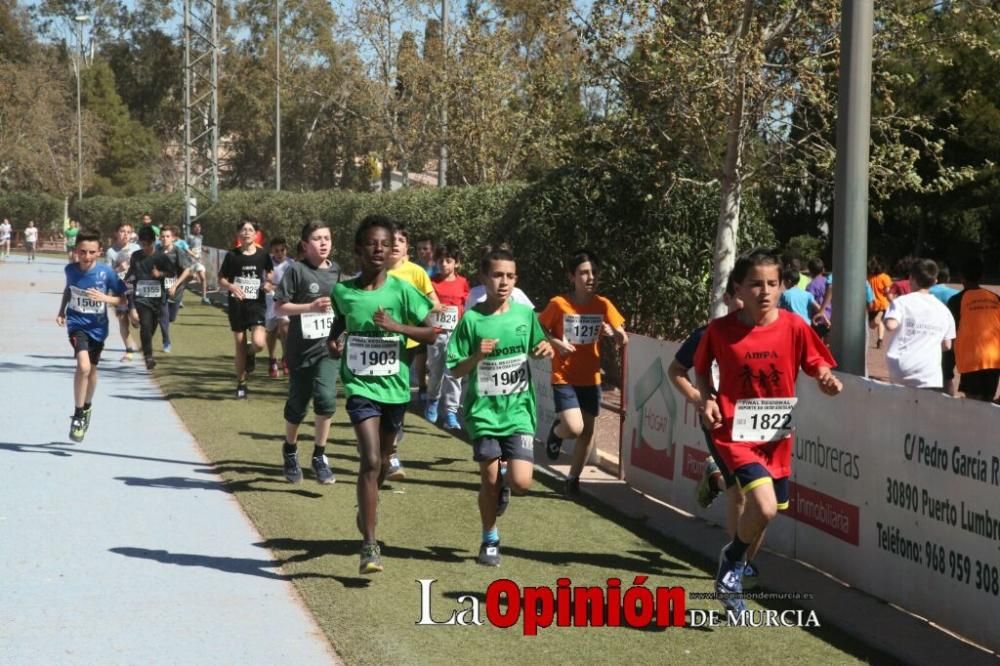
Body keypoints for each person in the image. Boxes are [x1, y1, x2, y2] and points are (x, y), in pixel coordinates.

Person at [695, 248, 842, 613]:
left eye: (772, 284)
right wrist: (707, 397)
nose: (764, 291)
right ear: (738, 289)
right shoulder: (719, 330)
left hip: (776, 438)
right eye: (755, 284)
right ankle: (732, 561)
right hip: (735, 433)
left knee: (767, 511)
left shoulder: (794, 327)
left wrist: (825, 378)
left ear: (781, 287)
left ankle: (735, 562)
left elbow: (816, 363)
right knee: (763, 506)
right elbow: (699, 369)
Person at [326, 215, 436, 574]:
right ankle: (370, 545)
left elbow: (432, 332)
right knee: (370, 460)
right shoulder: (343, 291)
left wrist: (396, 327)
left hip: (395, 389)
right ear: (358, 250)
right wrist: (333, 341)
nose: (378, 249)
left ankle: (366, 504)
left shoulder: (403, 291)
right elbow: (340, 321)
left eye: (385, 245)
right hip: (360, 388)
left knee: (384, 461)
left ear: (392, 252)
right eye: (371, 244)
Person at [447, 248, 554, 567]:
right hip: (483, 413)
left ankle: (505, 486)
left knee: (521, 483)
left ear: (515, 279)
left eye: (509, 276)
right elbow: (454, 369)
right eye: (497, 275)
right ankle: (489, 537)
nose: (503, 282)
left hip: (519, 410)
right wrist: (477, 356)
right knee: (488, 480)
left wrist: (543, 348)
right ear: (484, 278)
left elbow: (536, 349)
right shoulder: (472, 320)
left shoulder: (524, 316)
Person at [668, 277, 765, 589]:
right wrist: (702, 398)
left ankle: (715, 479)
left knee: (764, 500)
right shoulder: (708, 334)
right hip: (720, 422)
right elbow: (675, 371)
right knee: (742, 493)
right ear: (727, 297)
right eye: (739, 296)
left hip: (758, 422)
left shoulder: (768, 334)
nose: (745, 303)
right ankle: (738, 565)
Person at [538, 250, 627, 497]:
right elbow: (539, 328)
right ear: (571, 276)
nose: (590, 277)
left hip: (591, 378)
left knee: (587, 432)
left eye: (594, 273)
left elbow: (623, 338)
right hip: (564, 376)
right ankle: (557, 433)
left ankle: (573, 479)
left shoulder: (603, 304)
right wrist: (557, 343)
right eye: (584, 273)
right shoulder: (559, 304)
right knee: (574, 427)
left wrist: (614, 334)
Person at [275, 222, 342, 485]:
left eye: (327, 237)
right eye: (317, 238)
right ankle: (290, 450)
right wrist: (310, 306)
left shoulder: (337, 271)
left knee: (326, 400)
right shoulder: (296, 270)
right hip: (300, 350)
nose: (324, 243)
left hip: (328, 349)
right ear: (305, 244)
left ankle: (319, 455)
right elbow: (280, 308)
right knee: (298, 406)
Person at [56, 228, 128, 441]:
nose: (86, 257)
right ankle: (78, 415)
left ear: (99, 252)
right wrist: (62, 311)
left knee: (92, 372)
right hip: (77, 324)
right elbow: (69, 289)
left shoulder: (107, 273)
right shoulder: (70, 270)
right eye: (82, 252)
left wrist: (106, 299)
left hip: (98, 329)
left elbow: (123, 299)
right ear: (76, 251)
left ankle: (87, 407)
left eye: (91, 252)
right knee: (84, 366)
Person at [386, 223, 441, 480]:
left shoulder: (415, 272)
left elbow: (435, 303)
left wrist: (415, 311)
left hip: (406, 344)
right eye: (391, 239)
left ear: (407, 247)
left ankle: (392, 451)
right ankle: (383, 446)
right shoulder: (375, 271)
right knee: (382, 399)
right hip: (379, 345)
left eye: (400, 240)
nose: (396, 244)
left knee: (398, 397)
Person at [219, 220, 274, 399]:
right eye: (243, 230)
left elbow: (270, 272)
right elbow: (221, 279)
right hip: (237, 304)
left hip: (256, 304)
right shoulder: (232, 256)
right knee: (239, 345)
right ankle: (241, 384)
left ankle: (251, 353)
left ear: (256, 234)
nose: (247, 233)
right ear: (238, 234)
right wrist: (232, 287)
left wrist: (267, 282)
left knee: (259, 343)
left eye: (250, 230)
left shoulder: (263, 255)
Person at [883, 259, 955, 390]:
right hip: (930, 372)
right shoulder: (944, 310)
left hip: (902, 368)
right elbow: (947, 345)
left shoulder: (901, 302)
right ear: (935, 281)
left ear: (911, 278)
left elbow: (890, 325)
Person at [425, 242, 470, 428]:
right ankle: (433, 400)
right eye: (440, 261)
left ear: (456, 263)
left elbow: (467, 306)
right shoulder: (432, 282)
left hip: (456, 335)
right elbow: (425, 306)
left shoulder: (463, 283)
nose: (444, 264)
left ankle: (451, 412)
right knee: (436, 372)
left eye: (448, 261)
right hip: (436, 335)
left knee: (454, 374)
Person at [947, 257, 1000, 401]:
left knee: (973, 401)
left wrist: (949, 364)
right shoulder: (995, 298)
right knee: (987, 400)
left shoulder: (956, 301)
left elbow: (951, 332)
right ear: (982, 276)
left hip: (972, 358)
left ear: (960, 276)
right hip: (993, 357)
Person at [125, 226, 171, 370]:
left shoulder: (161, 257)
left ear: (153, 242)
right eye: (142, 244)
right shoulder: (136, 256)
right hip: (140, 297)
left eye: (148, 244)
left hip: (157, 299)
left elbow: (171, 272)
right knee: (145, 325)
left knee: (150, 327)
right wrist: (131, 306)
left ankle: (146, 347)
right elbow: (130, 277)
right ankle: (148, 357)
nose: (145, 247)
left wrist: (160, 274)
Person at [105, 222, 140, 361]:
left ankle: (136, 321)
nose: (125, 234)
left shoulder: (137, 248)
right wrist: (118, 269)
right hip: (119, 289)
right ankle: (129, 351)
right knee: (122, 320)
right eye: (122, 231)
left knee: (135, 317)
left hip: (135, 287)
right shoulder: (111, 252)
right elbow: (108, 273)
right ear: (116, 233)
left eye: (128, 231)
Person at [158, 226, 193, 354]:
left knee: (171, 317)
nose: (165, 239)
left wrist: (175, 285)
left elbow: (187, 270)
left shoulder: (178, 251)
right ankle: (166, 341)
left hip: (176, 290)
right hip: (161, 290)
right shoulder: (157, 251)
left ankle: (165, 322)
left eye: (168, 236)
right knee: (164, 316)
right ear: (159, 238)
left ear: (172, 238)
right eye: (163, 236)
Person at [265, 237, 294, 378]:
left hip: (285, 302)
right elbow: (265, 283)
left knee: (285, 328)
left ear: (286, 249)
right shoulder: (267, 263)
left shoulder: (291, 264)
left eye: (282, 249)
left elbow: (292, 285)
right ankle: (272, 359)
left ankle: (286, 359)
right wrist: (269, 286)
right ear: (272, 251)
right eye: (276, 250)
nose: (279, 253)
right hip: (270, 301)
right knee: (271, 331)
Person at [867, 257, 893, 349]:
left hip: (872, 304)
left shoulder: (868, 277)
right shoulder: (885, 277)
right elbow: (887, 290)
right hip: (883, 303)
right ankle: (880, 339)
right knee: (878, 323)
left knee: (872, 325)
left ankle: (880, 339)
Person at [185, 221, 211, 304]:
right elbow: (186, 248)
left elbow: (199, 246)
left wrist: (204, 249)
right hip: (190, 261)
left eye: (199, 227)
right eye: (196, 227)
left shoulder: (201, 237)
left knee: (203, 278)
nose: (198, 228)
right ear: (192, 228)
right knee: (187, 279)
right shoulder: (189, 237)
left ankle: (204, 298)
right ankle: (179, 297)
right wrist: (192, 254)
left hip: (198, 261)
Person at [805, 258, 831, 338]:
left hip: (818, 319)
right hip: (831, 316)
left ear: (810, 271)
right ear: (823, 269)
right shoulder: (828, 282)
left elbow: (810, 303)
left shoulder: (810, 286)